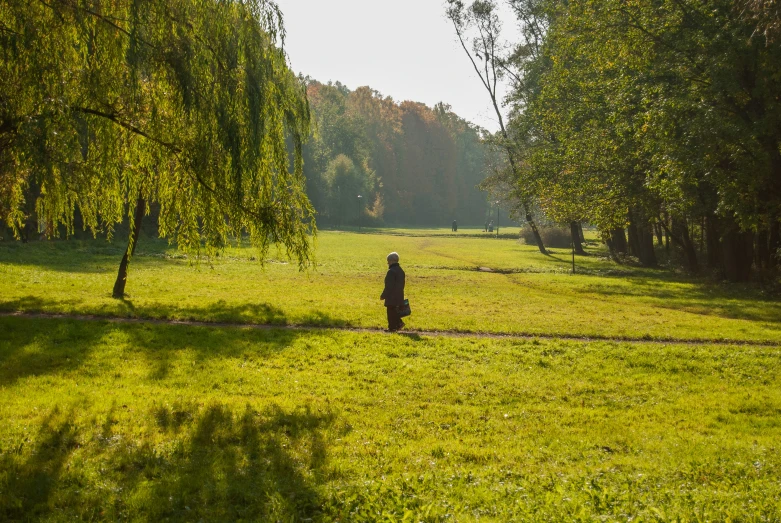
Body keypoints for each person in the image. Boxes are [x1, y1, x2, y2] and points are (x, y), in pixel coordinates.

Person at [380, 251, 406, 332]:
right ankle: (398, 324)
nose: (388, 263)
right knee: (395, 312)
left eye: (388, 261)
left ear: (391, 261)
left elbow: (389, 286)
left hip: (392, 296)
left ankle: (392, 328)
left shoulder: (391, 271)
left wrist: (383, 295)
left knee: (391, 313)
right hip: (399, 295)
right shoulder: (401, 271)